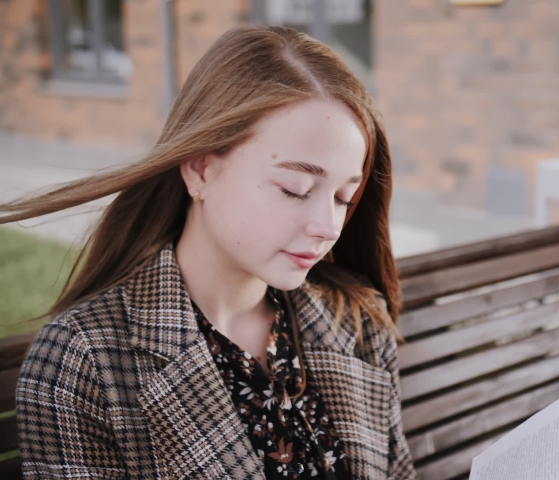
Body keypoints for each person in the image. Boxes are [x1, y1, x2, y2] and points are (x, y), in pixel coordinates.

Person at [2, 26, 415, 479]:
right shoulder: (82, 363)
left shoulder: (356, 321)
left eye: (342, 197)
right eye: (294, 189)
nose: (327, 227)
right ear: (200, 169)